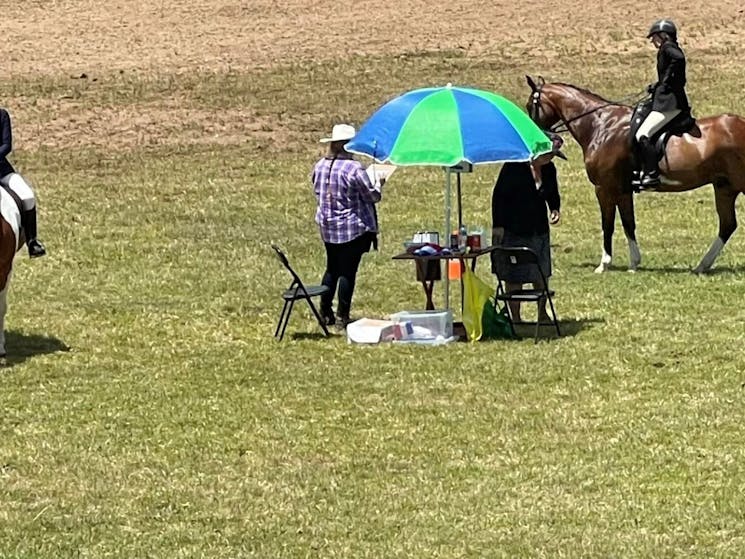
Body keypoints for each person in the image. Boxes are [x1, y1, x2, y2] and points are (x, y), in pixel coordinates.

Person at [312, 123, 383, 329]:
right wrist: (379, 183)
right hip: (352, 228)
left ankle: (325, 311)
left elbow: (317, 190)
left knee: (332, 268)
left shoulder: (320, 166)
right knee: (347, 272)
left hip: (328, 226)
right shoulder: (353, 168)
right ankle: (343, 315)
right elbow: (372, 195)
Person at [491, 132, 564, 323]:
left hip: (539, 229)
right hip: (515, 229)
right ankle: (515, 316)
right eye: (548, 155)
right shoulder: (513, 168)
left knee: (542, 273)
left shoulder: (549, 170)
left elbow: (552, 192)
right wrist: (498, 226)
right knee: (514, 276)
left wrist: (555, 207)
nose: (550, 159)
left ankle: (542, 312)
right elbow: (499, 198)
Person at [634, 19, 690, 189]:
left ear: (664, 35)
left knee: (642, 134)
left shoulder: (668, 47)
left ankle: (652, 175)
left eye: (654, 37)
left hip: (670, 104)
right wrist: (658, 85)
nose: (652, 41)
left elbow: (679, 59)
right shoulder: (667, 48)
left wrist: (665, 83)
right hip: (666, 99)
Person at [0, 107, 46, 257]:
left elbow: (6, 145)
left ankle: (32, 242)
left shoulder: (2, 115)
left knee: (27, 196)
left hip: (2, 171)